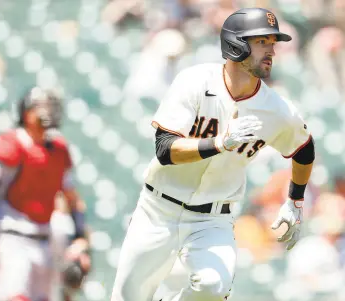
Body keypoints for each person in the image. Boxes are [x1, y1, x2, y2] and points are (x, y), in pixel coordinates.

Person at [111, 7, 315, 301]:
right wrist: (219, 144)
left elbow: (304, 149)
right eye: (261, 42)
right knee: (127, 297)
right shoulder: (194, 81)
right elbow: (165, 149)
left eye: (273, 43)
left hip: (212, 220)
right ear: (236, 44)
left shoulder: (278, 109)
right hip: (158, 210)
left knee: (213, 287)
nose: (271, 50)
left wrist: (295, 200)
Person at [0, 87, 91, 301]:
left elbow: (73, 199)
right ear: (27, 113)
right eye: (42, 107)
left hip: (45, 238)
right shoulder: (13, 144)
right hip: (13, 235)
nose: (49, 112)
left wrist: (80, 237)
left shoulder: (57, 150)